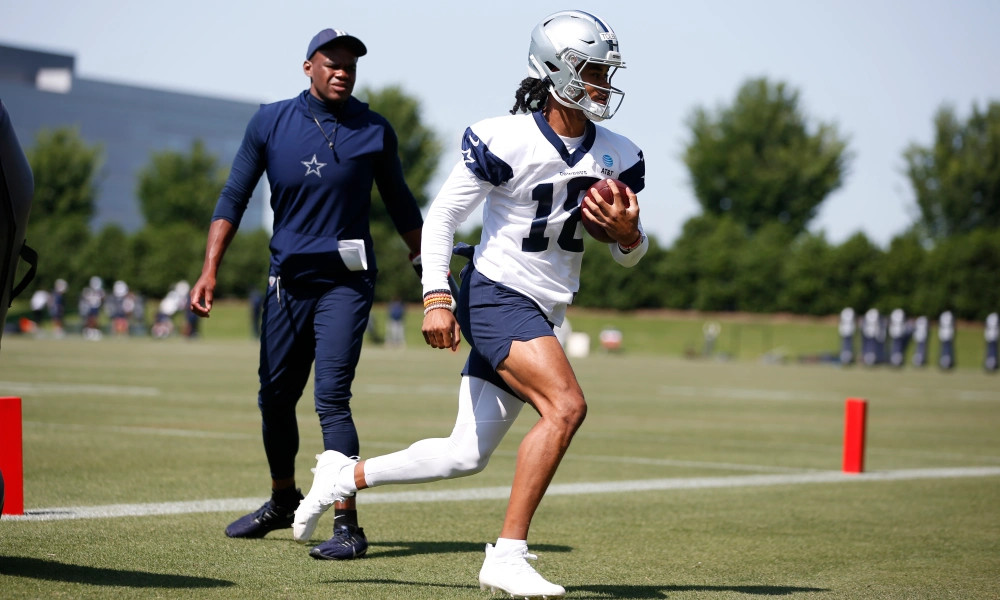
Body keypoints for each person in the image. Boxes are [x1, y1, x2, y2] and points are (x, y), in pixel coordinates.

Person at [293, 10, 647, 596]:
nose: (602, 84)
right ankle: (507, 555)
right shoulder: (505, 137)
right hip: (497, 295)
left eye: (606, 72)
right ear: (555, 70)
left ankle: (342, 476)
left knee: (464, 454)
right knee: (566, 407)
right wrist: (436, 296)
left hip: (546, 311)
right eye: (590, 71)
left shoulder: (618, 154)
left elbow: (626, 254)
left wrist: (628, 236)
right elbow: (443, 219)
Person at [189, 28, 423, 560]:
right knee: (274, 398)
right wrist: (208, 271)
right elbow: (234, 196)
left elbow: (403, 205)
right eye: (332, 62)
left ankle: (347, 526)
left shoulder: (375, 130)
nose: (342, 71)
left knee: (331, 399)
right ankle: (281, 500)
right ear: (308, 67)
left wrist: (427, 272)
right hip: (286, 282)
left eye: (350, 66)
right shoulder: (270, 122)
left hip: (346, 282)